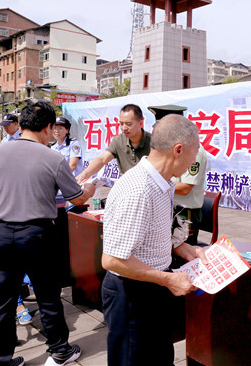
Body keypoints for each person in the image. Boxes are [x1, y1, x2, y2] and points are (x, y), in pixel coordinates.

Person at [0, 101, 96, 366]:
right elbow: (76, 199)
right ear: (48, 128)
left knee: (3, 300)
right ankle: (60, 350)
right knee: (47, 295)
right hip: (37, 234)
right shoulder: (53, 157)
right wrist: (90, 188)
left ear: (20, 126)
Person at [101, 114, 207, 366]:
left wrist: (183, 249)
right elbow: (113, 260)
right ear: (178, 150)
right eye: (195, 154)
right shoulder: (139, 190)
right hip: (132, 294)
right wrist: (169, 279)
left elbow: (151, 232)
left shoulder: (161, 183)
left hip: (152, 286)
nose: (195, 161)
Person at [148, 104, 208, 245]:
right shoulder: (165, 149)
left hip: (185, 213)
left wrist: (154, 184)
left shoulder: (194, 150)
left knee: (180, 257)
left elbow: (186, 187)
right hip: (169, 207)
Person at [76, 104, 151, 181]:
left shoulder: (153, 142)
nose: (124, 128)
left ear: (140, 123)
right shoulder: (118, 141)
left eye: (128, 124)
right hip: (127, 185)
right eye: (121, 124)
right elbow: (102, 159)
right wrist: (83, 174)